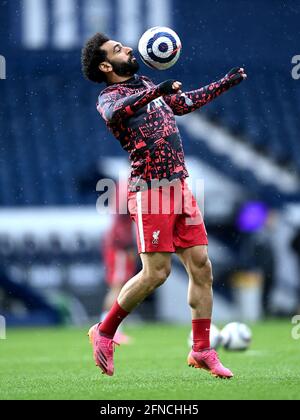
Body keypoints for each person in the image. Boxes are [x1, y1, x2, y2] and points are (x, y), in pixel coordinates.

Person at [81, 32, 247, 378]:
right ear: (106, 65)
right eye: (117, 49)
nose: (127, 47)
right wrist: (158, 90)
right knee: (157, 273)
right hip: (151, 190)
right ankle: (105, 331)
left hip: (180, 186)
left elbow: (183, 104)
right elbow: (120, 112)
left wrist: (225, 83)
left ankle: (201, 349)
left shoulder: (144, 83)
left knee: (202, 266)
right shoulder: (109, 97)